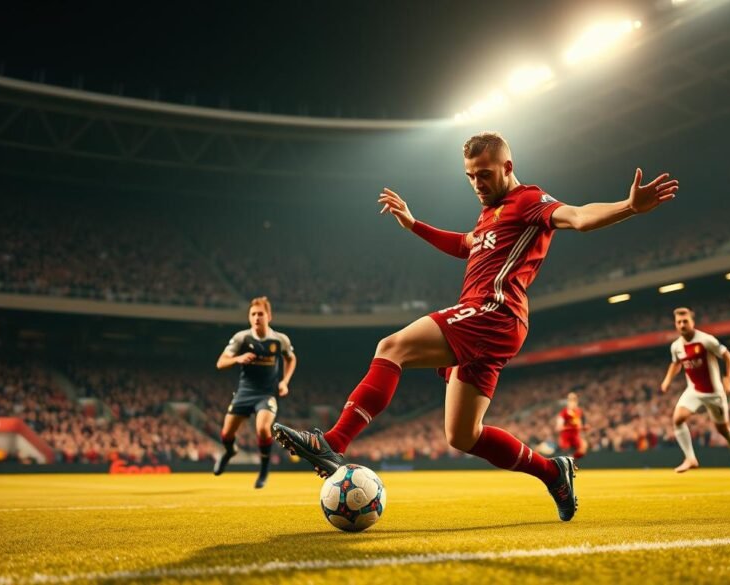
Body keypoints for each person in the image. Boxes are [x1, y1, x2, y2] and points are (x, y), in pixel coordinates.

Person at [274, 131, 677, 521]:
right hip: (491, 321)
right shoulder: (489, 214)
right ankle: (553, 473)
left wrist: (629, 206)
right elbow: (465, 244)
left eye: (484, 174)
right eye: (470, 176)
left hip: (493, 312)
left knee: (391, 347)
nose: (477, 184)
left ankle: (333, 441)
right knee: (463, 435)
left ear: (508, 167)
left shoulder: (529, 200)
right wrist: (415, 225)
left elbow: (578, 217)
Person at [215, 297, 296, 489]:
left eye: (260, 314)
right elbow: (221, 362)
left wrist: (284, 381)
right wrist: (237, 359)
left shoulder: (280, 340)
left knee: (263, 428)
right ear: (249, 317)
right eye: (253, 314)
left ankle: (264, 471)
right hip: (244, 392)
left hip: (267, 393)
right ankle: (230, 451)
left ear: (269, 316)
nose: (257, 317)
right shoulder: (241, 338)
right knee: (226, 433)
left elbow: (291, 359)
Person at [660, 307, 730, 479]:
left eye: (685, 321)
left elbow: (729, 358)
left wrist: (728, 379)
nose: (682, 325)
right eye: (679, 322)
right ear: (675, 324)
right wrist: (667, 380)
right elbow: (676, 363)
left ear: (692, 322)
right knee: (677, 419)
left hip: (714, 393)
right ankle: (690, 458)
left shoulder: (706, 340)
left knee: (723, 429)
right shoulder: (676, 346)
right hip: (693, 390)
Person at [556, 392, 587, 459]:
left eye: (574, 400)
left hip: (575, 437)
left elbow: (580, 424)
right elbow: (559, 427)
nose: (573, 402)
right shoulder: (564, 413)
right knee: (568, 453)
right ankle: (570, 460)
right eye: (571, 400)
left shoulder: (579, 411)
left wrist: (583, 427)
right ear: (568, 402)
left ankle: (572, 460)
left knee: (583, 447)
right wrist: (567, 427)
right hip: (566, 437)